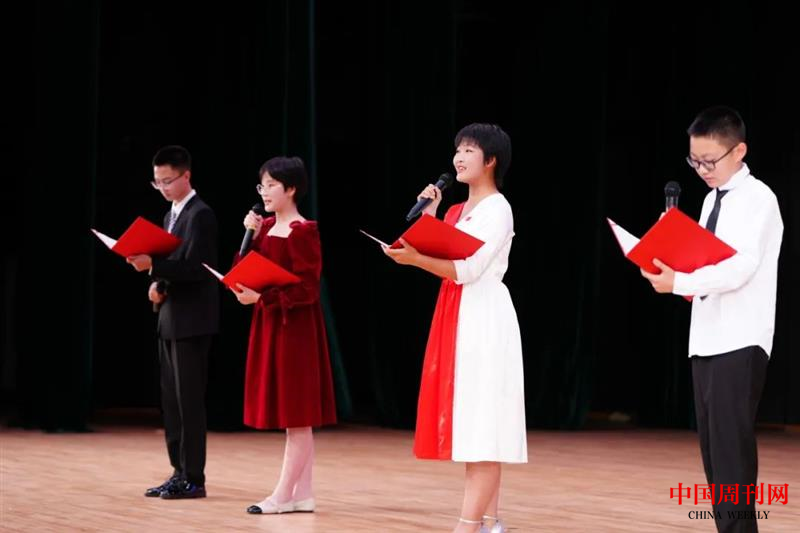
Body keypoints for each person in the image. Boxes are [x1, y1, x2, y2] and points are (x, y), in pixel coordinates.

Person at [641, 106, 783, 532]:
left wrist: (681, 280)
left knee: (732, 458)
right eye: (694, 161)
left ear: (739, 151)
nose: (702, 170)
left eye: (709, 161)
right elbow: (703, 262)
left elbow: (739, 268)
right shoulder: (709, 200)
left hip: (740, 339)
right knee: (715, 459)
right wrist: (669, 261)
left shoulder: (759, 199)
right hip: (705, 338)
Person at [385, 124, 527, 533]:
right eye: (458, 150)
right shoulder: (456, 210)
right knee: (475, 425)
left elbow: (469, 269)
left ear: (491, 160)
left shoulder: (497, 208)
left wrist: (415, 259)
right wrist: (429, 219)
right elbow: (443, 257)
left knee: (484, 426)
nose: (459, 158)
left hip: (483, 316)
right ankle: (491, 522)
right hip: (458, 311)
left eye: (469, 150)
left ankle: (468, 526)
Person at [230, 156, 337, 515]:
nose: (264, 192)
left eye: (271, 185)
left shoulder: (303, 231)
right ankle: (302, 494)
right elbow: (242, 272)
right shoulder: (263, 229)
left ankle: (281, 495)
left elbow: (308, 289)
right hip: (271, 323)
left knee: (297, 416)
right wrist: (248, 241)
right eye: (261, 185)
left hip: (296, 330)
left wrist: (264, 299)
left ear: (291, 189)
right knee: (294, 417)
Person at [127, 145, 219, 499]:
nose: (163, 188)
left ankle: (194, 477)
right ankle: (178, 472)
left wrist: (153, 265)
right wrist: (159, 284)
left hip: (192, 320)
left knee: (189, 401)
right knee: (171, 401)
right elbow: (174, 264)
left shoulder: (201, 214)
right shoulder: (171, 215)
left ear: (186, 176)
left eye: (168, 181)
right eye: (157, 182)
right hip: (170, 318)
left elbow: (197, 268)